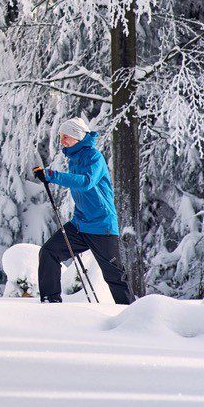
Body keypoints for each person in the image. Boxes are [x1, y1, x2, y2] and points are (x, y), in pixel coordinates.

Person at [33, 117, 134, 304]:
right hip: (80, 224)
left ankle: (131, 314)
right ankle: (50, 302)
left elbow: (86, 182)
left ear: (77, 137)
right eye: (61, 137)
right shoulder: (75, 158)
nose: (62, 141)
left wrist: (51, 175)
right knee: (49, 252)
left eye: (65, 137)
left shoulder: (94, 157)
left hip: (101, 225)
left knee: (114, 275)